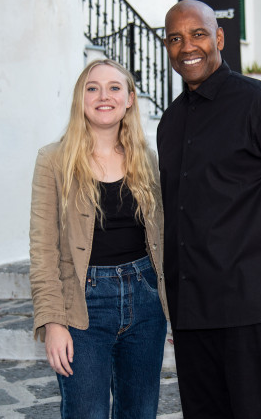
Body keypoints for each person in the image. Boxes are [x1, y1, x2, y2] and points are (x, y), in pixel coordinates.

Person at [157, 0, 261, 419]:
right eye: (175, 38)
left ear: (218, 38)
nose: (187, 46)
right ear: (167, 47)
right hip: (193, 312)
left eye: (197, 34)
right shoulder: (170, 122)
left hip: (255, 306)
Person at [29, 59, 168, 419]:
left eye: (114, 87)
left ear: (130, 99)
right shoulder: (53, 160)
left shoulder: (149, 161)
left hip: (146, 301)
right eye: (92, 88)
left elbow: (164, 239)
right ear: (80, 99)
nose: (103, 96)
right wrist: (53, 322)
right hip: (82, 305)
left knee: (139, 412)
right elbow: (42, 251)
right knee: (85, 412)